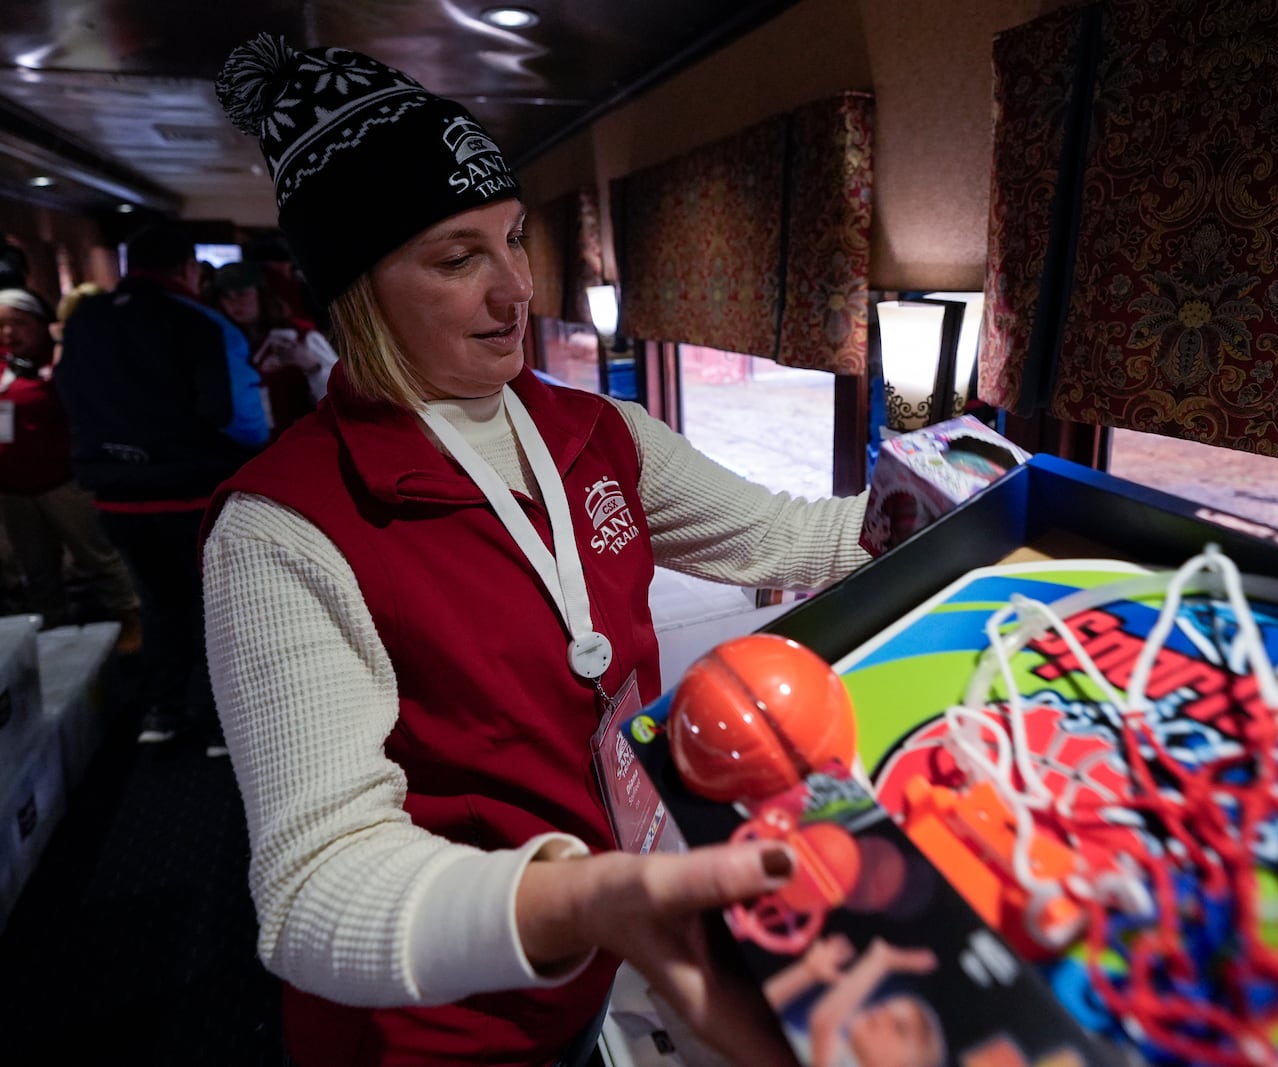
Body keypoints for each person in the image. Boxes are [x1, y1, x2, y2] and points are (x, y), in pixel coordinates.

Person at [204, 34, 872, 1067]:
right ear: (356, 289)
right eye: (457, 256)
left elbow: (794, 536)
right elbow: (311, 894)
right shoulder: (281, 528)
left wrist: (972, 503)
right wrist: (585, 895)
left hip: (587, 959)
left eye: (513, 238)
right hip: (434, 1025)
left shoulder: (598, 433)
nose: (517, 288)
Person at [54, 223, 269, 750]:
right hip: (192, 493)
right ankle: (224, 724)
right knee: (218, 608)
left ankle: (163, 711)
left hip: (115, 497)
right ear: (188, 270)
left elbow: (67, 396)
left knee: (158, 603)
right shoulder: (202, 323)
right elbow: (243, 423)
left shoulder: (84, 322)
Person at [0, 289, 143, 650]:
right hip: (14, 488)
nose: (9, 333)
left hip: (64, 481)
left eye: (17, 323)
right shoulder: (4, 366)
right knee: (36, 567)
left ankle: (131, 618)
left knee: (98, 557)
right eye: (1, 325)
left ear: (39, 322)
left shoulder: (64, 361)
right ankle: (50, 631)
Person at [764, 935, 945, 1067]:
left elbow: (824, 1021)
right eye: (887, 1005)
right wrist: (808, 971)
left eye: (899, 1027)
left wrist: (880, 961)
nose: (883, 1012)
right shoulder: (811, 1045)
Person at [212, 260, 338, 434]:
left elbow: (342, 394)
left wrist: (312, 366)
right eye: (226, 296)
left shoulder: (300, 336)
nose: (234, 303)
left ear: (261, 294)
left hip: (296, 444)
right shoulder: (225, 344)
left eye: (242, 293)